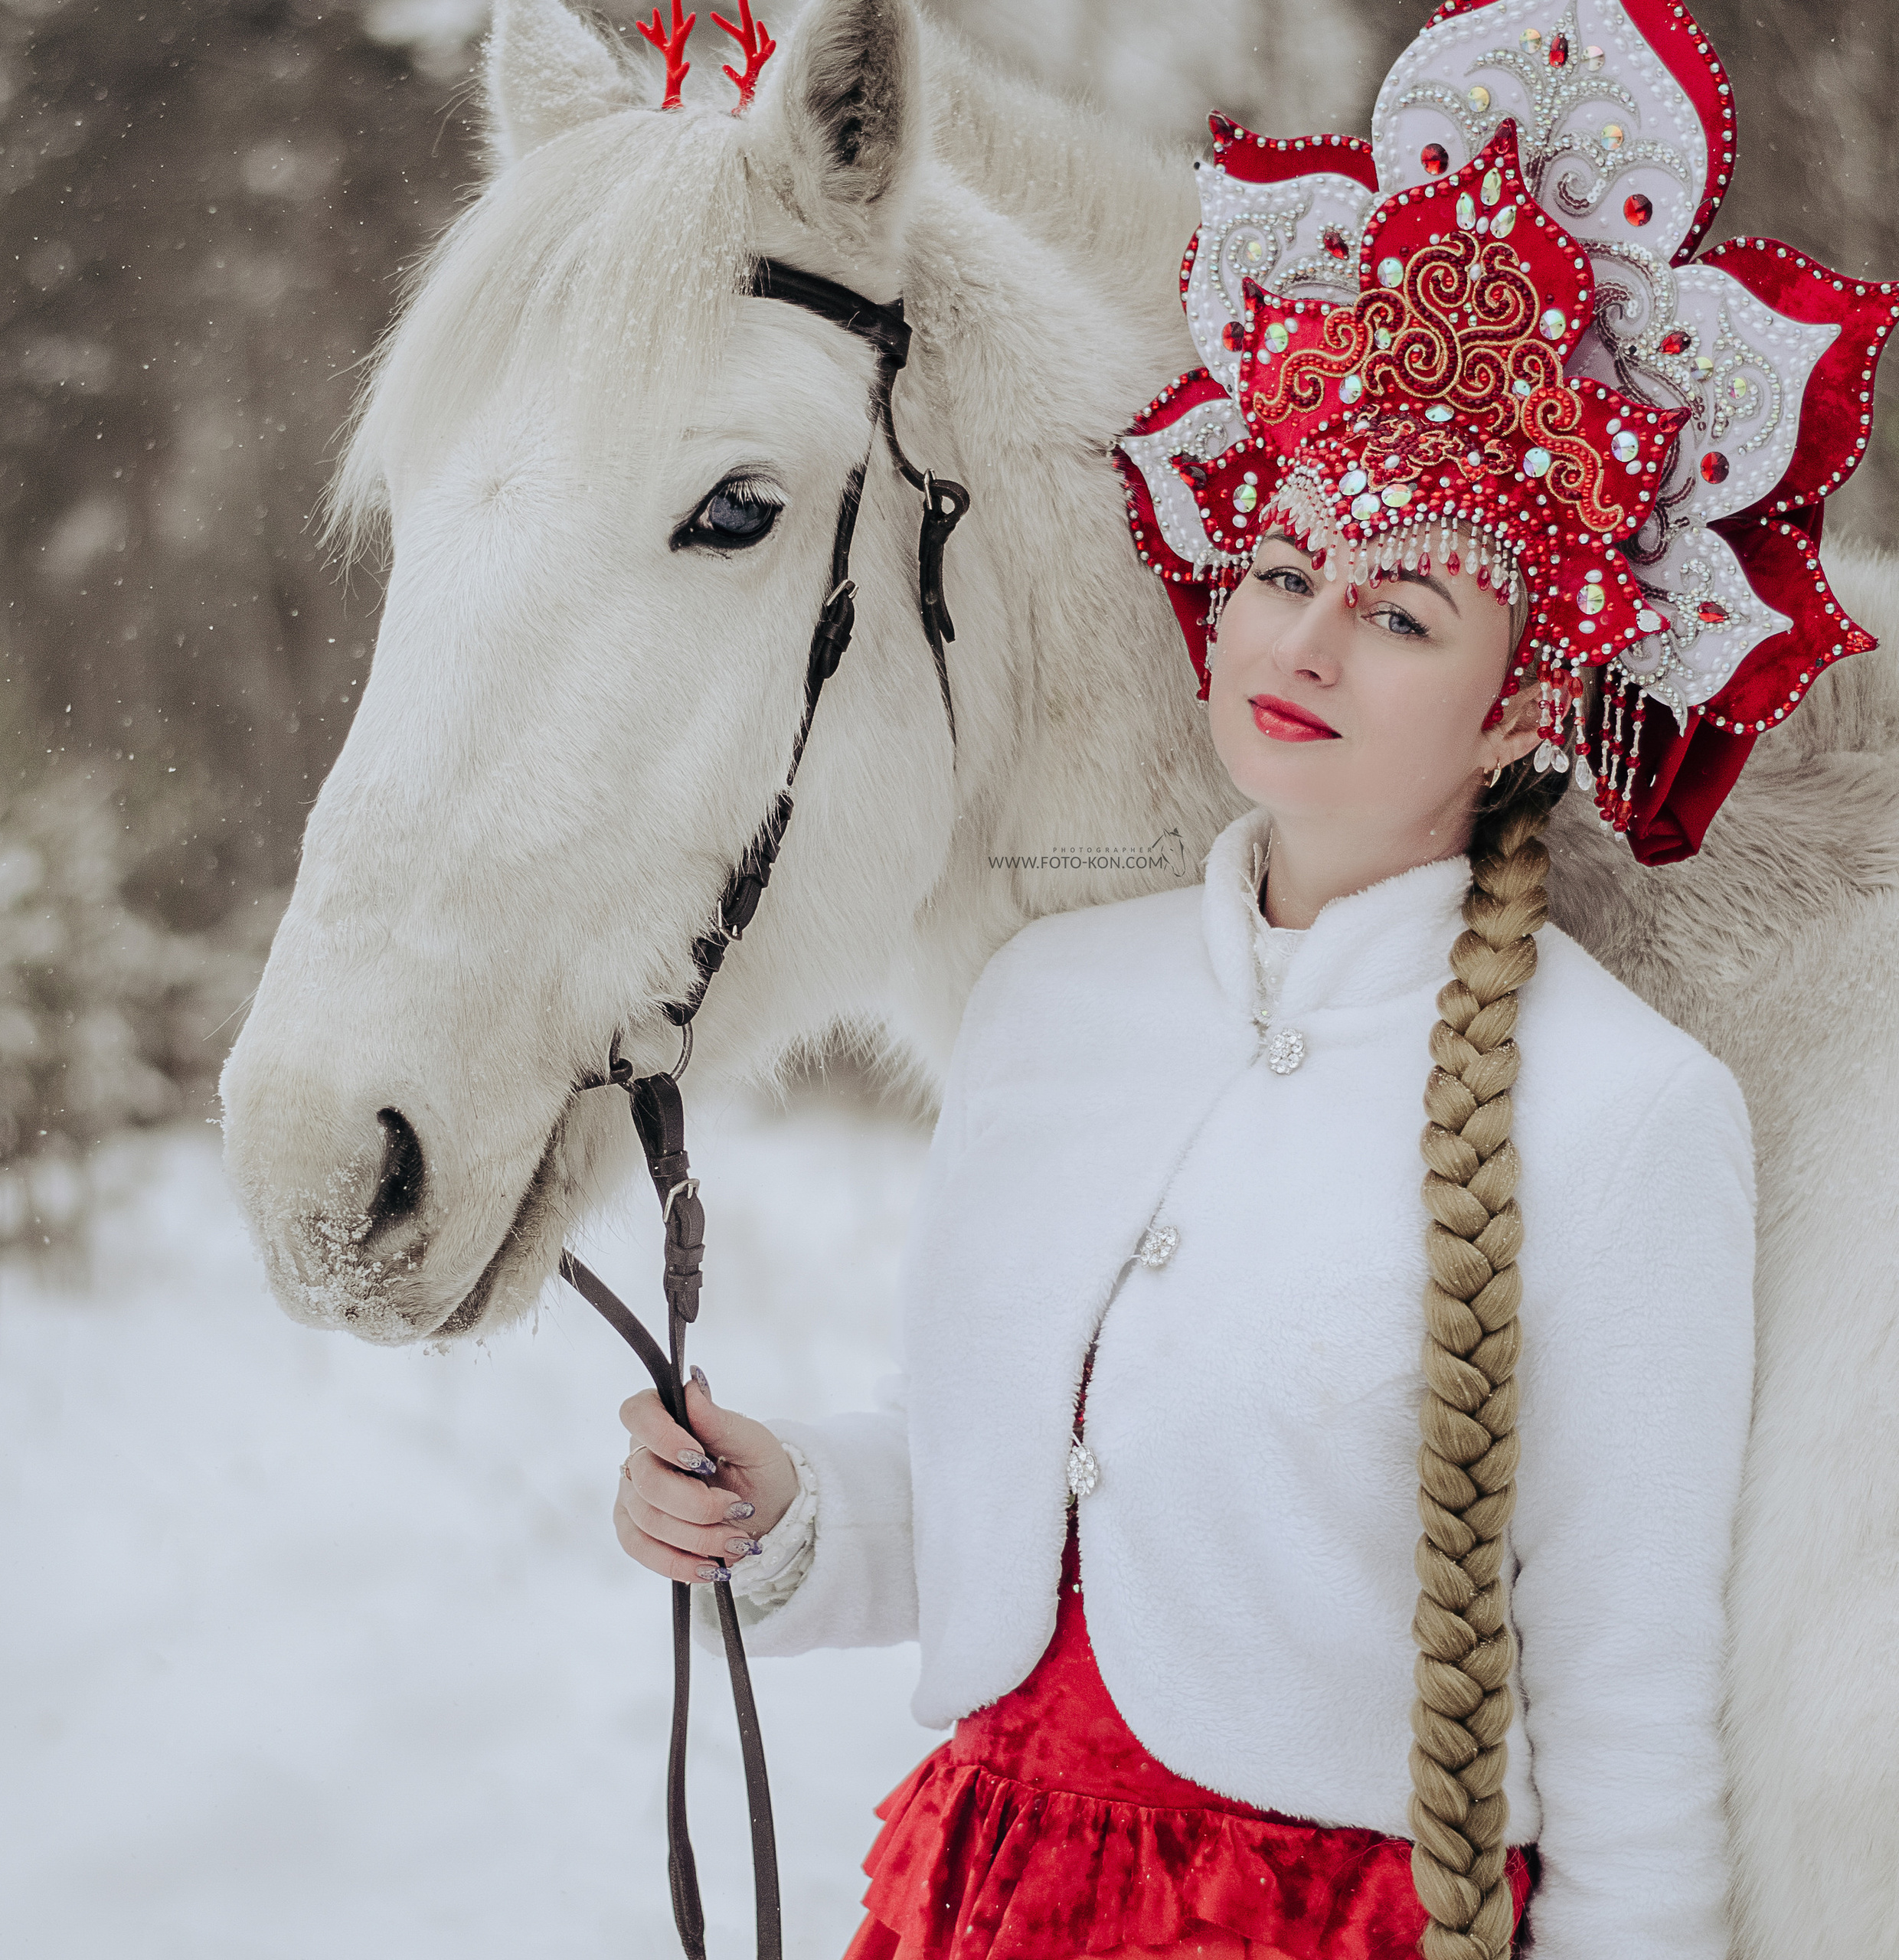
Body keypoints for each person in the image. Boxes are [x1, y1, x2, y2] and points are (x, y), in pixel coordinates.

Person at [613, 4, 1894, 1955]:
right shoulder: (1054, 1005)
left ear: (1524, 699)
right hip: (981, 1892)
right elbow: (1012, 1499)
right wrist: (788, 1509)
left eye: (1400, 609)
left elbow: (1629, 1731)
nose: (1301, 634)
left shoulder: (1622, 1115)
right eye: (1282, 566)